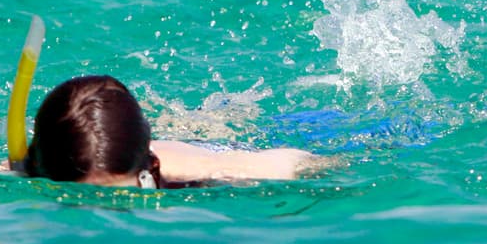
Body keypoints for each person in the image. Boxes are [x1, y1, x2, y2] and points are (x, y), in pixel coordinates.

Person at [16, 75, 323, 188]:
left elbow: (298, 162)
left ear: (151, 170)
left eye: (120, 199)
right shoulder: (38, 168)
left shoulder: (207, 171)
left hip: (224, 144)